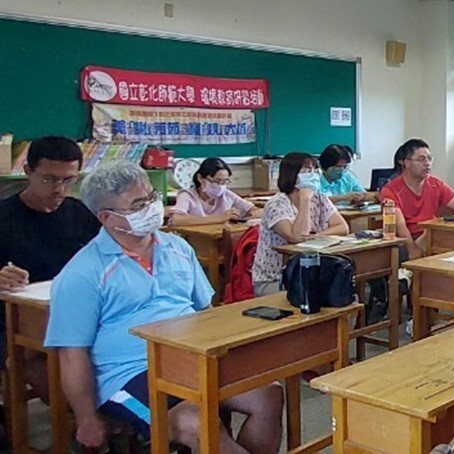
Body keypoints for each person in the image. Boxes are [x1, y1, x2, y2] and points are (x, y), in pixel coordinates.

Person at [47, 162, 283, 452]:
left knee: (269, 395)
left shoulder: (178, 248)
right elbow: (72, 353)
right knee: (196, 423)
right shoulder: (82, 272)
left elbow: (207, 311)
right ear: (108, 217)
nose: (151, 207)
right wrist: (86, 418)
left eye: (150, 197)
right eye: (138, 204)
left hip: (189, 356)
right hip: (128, 373)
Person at [0, 136, 102, 402]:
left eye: (69, 180)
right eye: (49, 179)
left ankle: (115, 413)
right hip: (13, 320)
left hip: (74, 310)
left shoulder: (78, 212)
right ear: (28, 172)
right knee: (28, 360)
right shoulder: (5, 217)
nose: (59, 188)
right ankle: (83, 422)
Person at [252, 152, 349, 296]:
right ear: (292, 174)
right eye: (306, 171)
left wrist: (316, 236)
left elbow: (342, 227)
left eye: (314, 170)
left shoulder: (320, 198)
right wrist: (305, 200)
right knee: (322, 297)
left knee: (344, 294)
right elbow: (297, 237)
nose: (312, 174)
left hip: (310, 273)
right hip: (276, 279)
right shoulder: (277, 204)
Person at [379, 139, 454, 259]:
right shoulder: (391, 190)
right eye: (421, 159)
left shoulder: (436, 184)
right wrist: (412, 248)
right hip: (407, 238)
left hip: (431, 234)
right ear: (406, 162)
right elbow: (400, 226)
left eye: (429, 158)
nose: (427, 163)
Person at [168, 157, 261, 226]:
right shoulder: (187, 195)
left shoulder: (226, 195)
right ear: (200, 178)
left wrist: (253, 214)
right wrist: (219, 218)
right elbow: (177, 219)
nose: (221, 186)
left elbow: (253, 209)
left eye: (225, 181)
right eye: (217, 181)